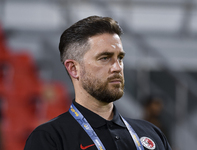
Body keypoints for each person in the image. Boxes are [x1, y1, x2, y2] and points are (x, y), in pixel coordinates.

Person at [24, 16, 172, 150]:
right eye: (105, 58)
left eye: (120, 58)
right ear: (74, 68)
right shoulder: (50, 138)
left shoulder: (152, 134)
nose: (117, 67)